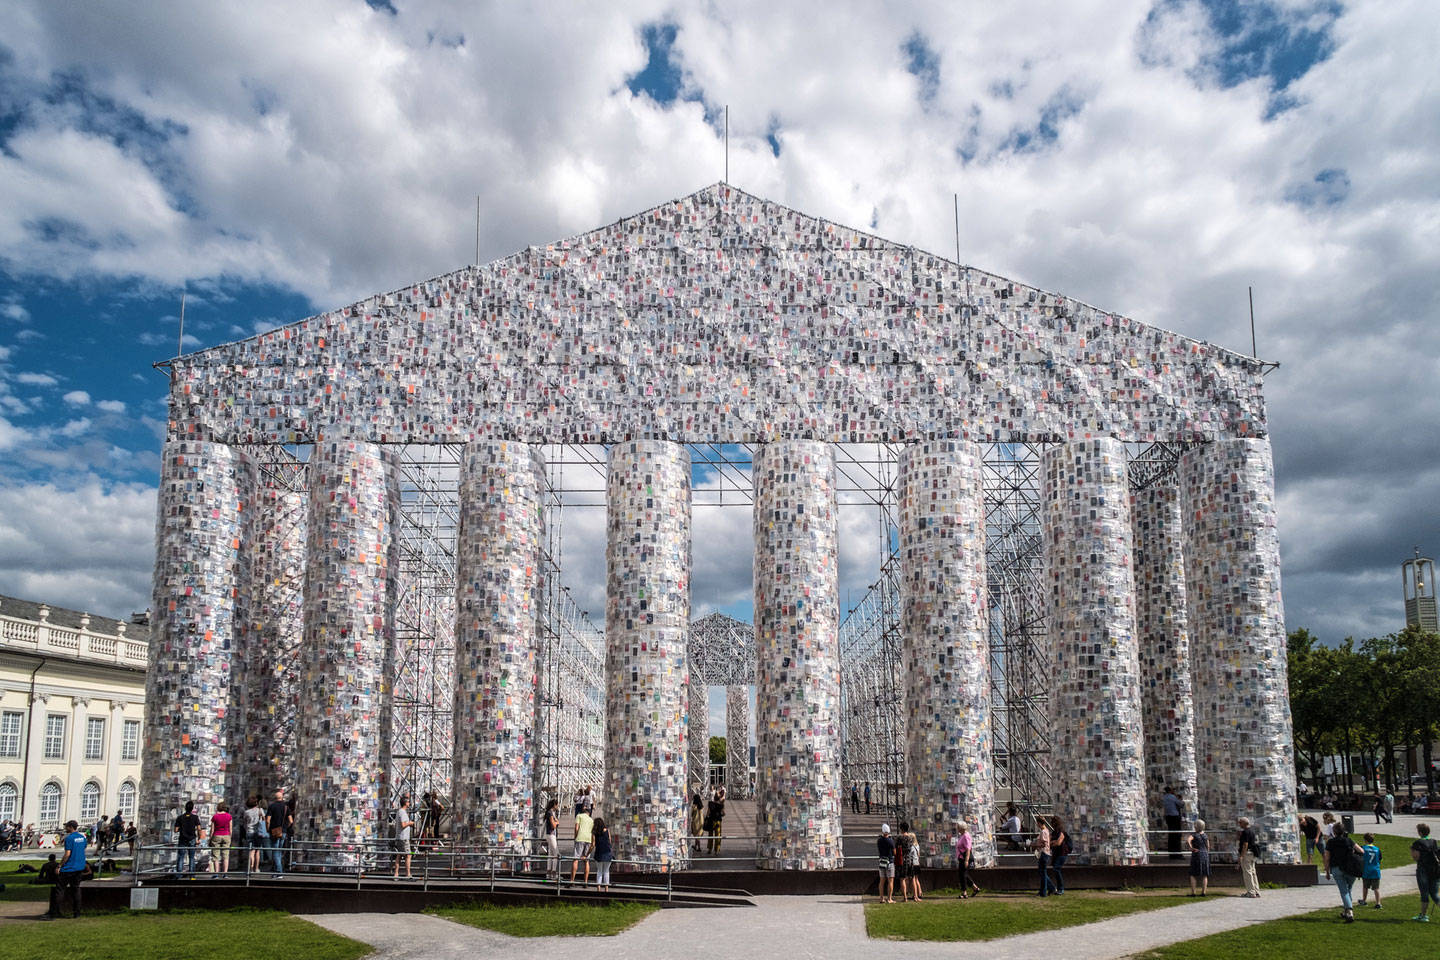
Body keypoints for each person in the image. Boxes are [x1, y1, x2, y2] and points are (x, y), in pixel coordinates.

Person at [43, 821, 87, 920]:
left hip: (68, 868)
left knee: (59, 890)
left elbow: (67, 854)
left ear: (70, 827)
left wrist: (59, 866)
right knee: (76, 890)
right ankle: (77, 913)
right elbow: (83, 850)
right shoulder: (82, 838)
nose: (65, 828)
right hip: (79, 867)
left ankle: (54, 913)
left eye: (66, 826)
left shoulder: (69, 838)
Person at [1323, 821, 1364, 923]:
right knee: (1348, 890)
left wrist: (1327, 871)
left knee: (1344, 891)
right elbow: (1362, 851)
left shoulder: (1330, 843)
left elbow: (1327, 859)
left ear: (1334, 832)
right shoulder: (1348, 841)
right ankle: (1346, 911)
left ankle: (1349, 911)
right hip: (1350, 868)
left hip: (1337, 868)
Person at [1411, 822, 1439, 922]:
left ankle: (1423, 916)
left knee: (1424, 893)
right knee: (1435, 894)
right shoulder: (1434, 842)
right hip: (1435, 871)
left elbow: (1416, 856)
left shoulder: (1418, 843)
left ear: (1420, 832)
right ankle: (1423, 916)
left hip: (1423, 870)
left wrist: (1412, 852)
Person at [265, 789, 291, 876]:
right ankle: (276, 870)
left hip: (274, 831)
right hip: (283, 831)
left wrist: (267, 829)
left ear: (275, 798)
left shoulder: (271, 806)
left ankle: (279, 872)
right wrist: (285, 827)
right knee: (279, 851)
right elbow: (291, 820)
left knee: (275, 851)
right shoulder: (286, 807)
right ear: (282, 798)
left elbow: (268, 820)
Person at [950, 822, 979, 898]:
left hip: (965, 858)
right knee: (963, 874)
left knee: (962, 875)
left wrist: (966, 860)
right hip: (962, 857)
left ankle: (964, 892)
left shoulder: (966, 836)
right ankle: (975, 888)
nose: (957, 829)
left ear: (961, 828)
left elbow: (968, 849)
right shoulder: (962, 835)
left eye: (958, 828)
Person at [174, 800, 202, 878]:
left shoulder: (180, 818)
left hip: (182, 839)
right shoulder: (195, 817)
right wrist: (199, 838)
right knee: (191, 857)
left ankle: (179, 875)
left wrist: (182, 828)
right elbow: (199, 828)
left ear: (185, 808)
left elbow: (176, 830)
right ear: (192, 809)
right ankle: (192, 876)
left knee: (181, 857)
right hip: (192, 839)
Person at [1236, 817, 1261, 898]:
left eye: (1240, 822)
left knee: (1248, 873)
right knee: (1253, 872)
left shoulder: (1245, 832)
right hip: (1252, 853)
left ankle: (1251, 892)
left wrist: (1241, 856)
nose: (1239, 824)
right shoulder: (1252, 830)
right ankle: (1256, 891)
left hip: (1246, 854)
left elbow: (1245, 844)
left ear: (1244, 823)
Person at [392, 794, 415, 880]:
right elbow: (403, 824)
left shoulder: (399, 812)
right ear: (405, 803)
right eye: (408, 802)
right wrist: (410, 823)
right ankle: (408, 874)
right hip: (403, 837)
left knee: (399, 855)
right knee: (408, 855)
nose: (409, 803)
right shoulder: (402, 812)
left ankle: (396, 874)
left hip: (399, 837)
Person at [570, 805, 594, 885]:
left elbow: (576, 828)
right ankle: (585, 881)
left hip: (580, 838)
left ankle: (572, 880)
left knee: (575, 859)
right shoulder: (591, 820)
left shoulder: (579, 816)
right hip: (588, 839)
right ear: (589, 813)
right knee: (586, 861)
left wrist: (575, 837)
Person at [1358, 832, 1383, 908]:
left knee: (1365, 887)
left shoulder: (1363, 848)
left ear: (1365, 840)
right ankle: (1378, 903)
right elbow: (1380, 860)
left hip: (1366, 870)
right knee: (1376, 888)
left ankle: (1364, 900)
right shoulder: (1377, 849)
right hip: (1375, 871)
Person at [1188, 819, 1211, 896]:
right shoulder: (1205, 835)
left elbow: (1188, 840)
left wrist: (1191, 847)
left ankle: (1193, 892)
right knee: (1204, 874)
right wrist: (1206, 852)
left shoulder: (1194, 835)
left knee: (1193, 873)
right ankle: (1203, 892)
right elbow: (1208, 846)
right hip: (1205, 854)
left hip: (1197, 854)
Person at [209, 801, 232, 875]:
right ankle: (225, 873)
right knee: (226, 856)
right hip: (226, 835)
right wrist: (230, 837)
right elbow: (230, 828)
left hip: (216, 835)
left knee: (215, 856)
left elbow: (212, 829)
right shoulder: (229, 816)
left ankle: (216, 873)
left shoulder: (215, 816)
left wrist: (210, 838)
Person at [902, 821, 923, 900]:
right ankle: (920, 892)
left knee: (912, 879)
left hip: (912, 863)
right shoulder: (917, 845)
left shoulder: (911, 846)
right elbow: (918, 854)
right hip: (917, 863)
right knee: (917, 879)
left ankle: (912, 894)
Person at [876, 824, 896, 903]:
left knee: (882, 881)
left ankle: (881, 898)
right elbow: (894, 852)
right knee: (890, 881)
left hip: (882, 861)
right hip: (889, 861)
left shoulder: (879, 841)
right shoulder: (890, 841)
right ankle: (889, 898)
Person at [1162, 786, 1184, 859]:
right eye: (1172, 790)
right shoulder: (1172, 797)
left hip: (1168, 817)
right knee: (1177, 835)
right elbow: (1180, 804)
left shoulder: (1165, 797)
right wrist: (1180, 799)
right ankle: (1177, 853)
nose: (1174, 791)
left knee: (1171, 835)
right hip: (1175, 817)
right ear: (1169, 791)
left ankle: (1171, 853)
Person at [1048, 816, 1069, 895]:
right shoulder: (1054, 832)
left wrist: (1053, 842)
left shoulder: (1062, 832)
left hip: (1062, 853)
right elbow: (1048, 841)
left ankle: (1061, 888)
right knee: (1055, 869)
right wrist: (1053, 842)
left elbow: (1058, 843)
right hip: (1056, 853)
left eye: (1052, 822)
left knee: (1056, 869)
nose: (1051, 824)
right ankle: (1059, 887)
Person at [1033, 815, 1053, 897]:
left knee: (1043, 873)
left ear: (1039, 823)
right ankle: (1049, 888)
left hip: (1044, 853)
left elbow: (1044, 844)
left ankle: (1043, 891)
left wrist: (1035, 845)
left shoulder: (1043, 832)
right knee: (1042, 872)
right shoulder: (1046, 831)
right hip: (1045, 853)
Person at [592, 817, 613, 892]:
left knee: (599, 871)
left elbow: (593, 845)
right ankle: (606, 888)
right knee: (606, 871)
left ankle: (598, 888)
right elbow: (609, 841)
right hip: (607, 853)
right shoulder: (607, 831)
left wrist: (587, 853)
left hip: (599, 853)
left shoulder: (594, 833)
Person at [543, 798, 560, 878]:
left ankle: (548, 872)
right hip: (551, 834)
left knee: (550, 854)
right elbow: (553, 825)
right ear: (554, 805)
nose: (558, 806)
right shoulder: (550, 813)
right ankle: (553, 872)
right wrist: (557, 823)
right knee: (556, 854)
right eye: (557, 805)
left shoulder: (551, 812)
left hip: (550, 834)